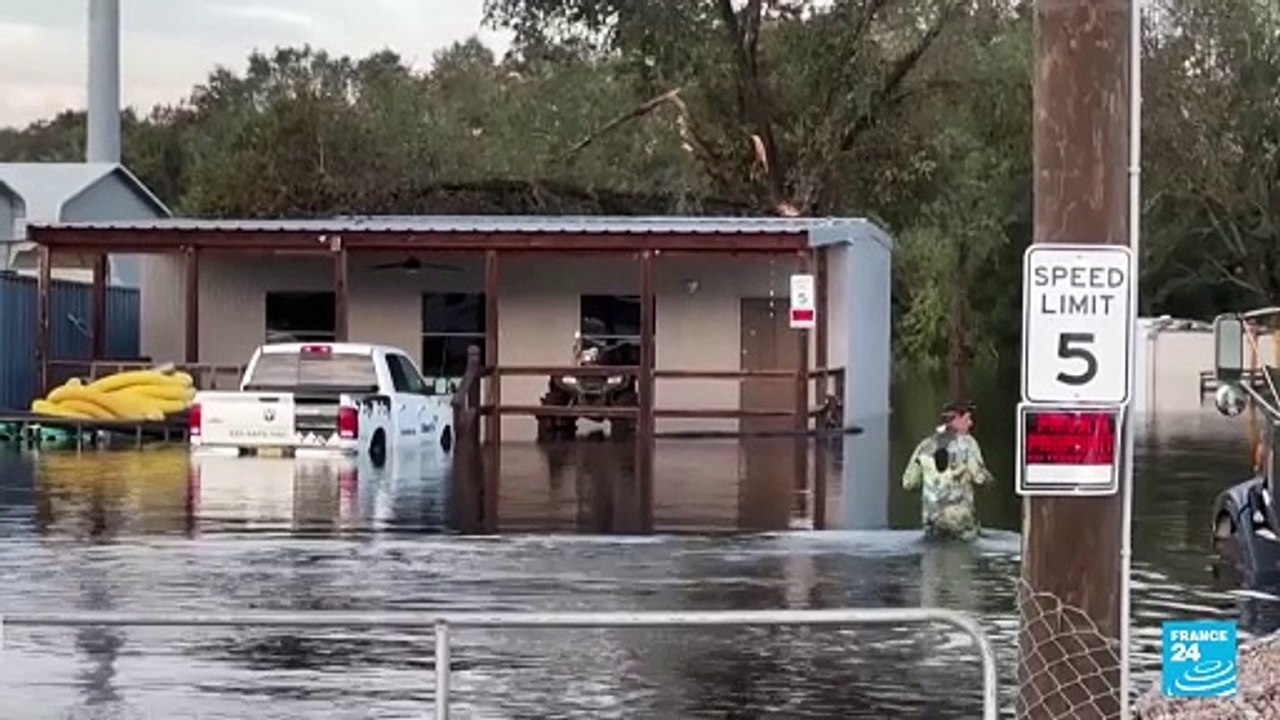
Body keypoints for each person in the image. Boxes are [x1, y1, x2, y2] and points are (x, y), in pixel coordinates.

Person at [902, 401, 993, 542]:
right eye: (967, 419)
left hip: (932, 524)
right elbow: (979, 478)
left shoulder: (925, 445)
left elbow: (909, 483)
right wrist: (990, 480)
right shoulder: (968, 444)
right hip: (960, 526)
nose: (971, 423)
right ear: (956, 419)